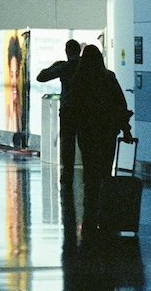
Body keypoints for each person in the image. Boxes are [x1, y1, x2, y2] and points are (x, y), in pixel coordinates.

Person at [71, 44, 133, 238]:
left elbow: (73, 108)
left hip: (87, 134)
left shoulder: (79, 80)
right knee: (105, 171)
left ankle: (90, 211)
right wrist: (126, 130)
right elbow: (120, 105)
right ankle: (105, 209)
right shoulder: (108, 78)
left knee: (90, 172)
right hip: (106, 134)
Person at [37, 39, 82, 186]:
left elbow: (41, 77)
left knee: (67, 144)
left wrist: (56, 65)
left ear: (66, 51)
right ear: (79, 51)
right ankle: (89, 175)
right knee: (86, 144)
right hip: (85, 111)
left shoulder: (65, 67)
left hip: (68, 110)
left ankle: (67, 174)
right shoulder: (86, 66)